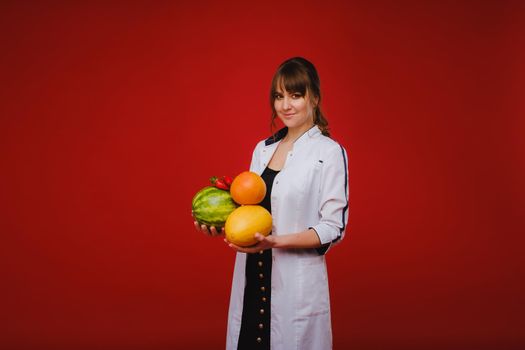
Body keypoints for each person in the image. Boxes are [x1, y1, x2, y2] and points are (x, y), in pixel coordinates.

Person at [194, 57, 349, 350]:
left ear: (314, 97)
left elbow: (333, 227)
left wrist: (276, 242)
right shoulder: (262, 150)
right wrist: (219, 224)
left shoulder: (329, 153)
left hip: (295, 284)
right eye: (279, 96)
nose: (285, 105)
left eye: (295, 94)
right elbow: (248, 209)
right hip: (253, 274)